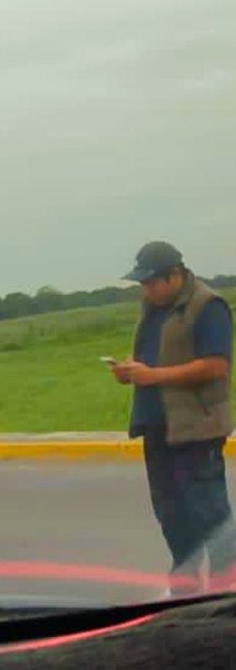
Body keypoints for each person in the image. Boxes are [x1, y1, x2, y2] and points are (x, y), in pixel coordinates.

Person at [112, 242, 235, 595]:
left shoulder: (206, 306)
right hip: (157, 425)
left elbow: (216, 365)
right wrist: (129, 371)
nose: (146, 289)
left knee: (208, 511)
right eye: (143, 284)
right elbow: (150, 356)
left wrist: (156, 375)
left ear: (175, 275)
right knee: (170, 512)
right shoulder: (153, 308)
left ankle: (225, 588)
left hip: (196, 427)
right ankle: (185, 583)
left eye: (152, 282)